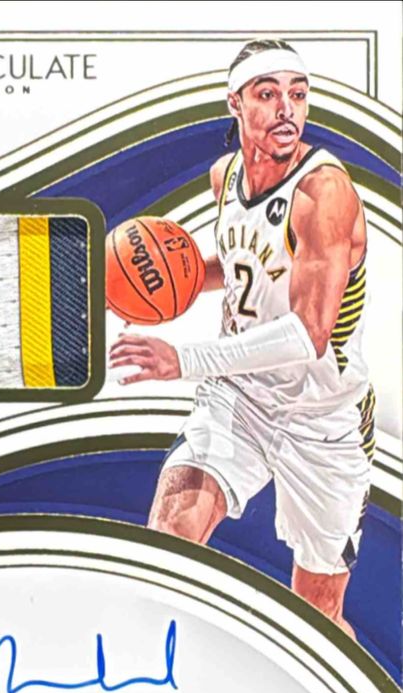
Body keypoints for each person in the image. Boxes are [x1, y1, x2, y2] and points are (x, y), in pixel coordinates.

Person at [108, 39, 373, 638]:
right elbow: (241, 263)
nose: (286, 109)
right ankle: (162, 681)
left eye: (298, 95)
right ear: (236, 102)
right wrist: (136, 287)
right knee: (169, 539)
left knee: (317, 620)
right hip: (241, 398)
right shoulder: (225, 176)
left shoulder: (324, 192)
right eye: (268, 93)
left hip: (323, 420)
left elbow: (308, 333)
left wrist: (183, 359)